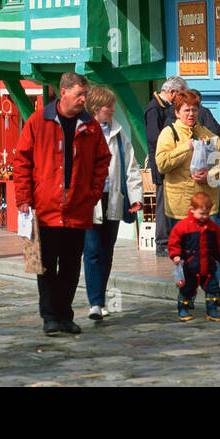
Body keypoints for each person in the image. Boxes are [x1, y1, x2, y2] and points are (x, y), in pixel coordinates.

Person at [13, 72, 110, 336]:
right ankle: (49, 317)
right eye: (79, 94)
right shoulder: (38, 121)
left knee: (70, 266)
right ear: (64, 92)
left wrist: (92, 193)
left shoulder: (89, 126)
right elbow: (21, 161)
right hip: (45, 209)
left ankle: (65, 316)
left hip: (78, 208)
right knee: (45, 267)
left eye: (85, 94)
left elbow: (103, 160)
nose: (83, 99)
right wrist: (23, 198)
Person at [82, 85, 142, 322]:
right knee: (92, 250)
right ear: (97, 108)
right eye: (110, 106)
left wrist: (136, 197)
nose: (113, 109)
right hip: (90, 200)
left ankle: (102, 299)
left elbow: (131, 167)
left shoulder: (118, 134)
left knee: (106, 251)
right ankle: (95, 302)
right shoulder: (83, 131)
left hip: (113, 198)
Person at [156, 88, 220, 246]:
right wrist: (185, 148)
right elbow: (162, 164)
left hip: (208, 206)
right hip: (182, 208)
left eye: (194, 110)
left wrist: (209, 175)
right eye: (186, 110)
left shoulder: (207, 134)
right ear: (177, 113)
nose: (191, 114)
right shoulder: (169, 134)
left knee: (209, 252)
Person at [168, 191, 220, 321]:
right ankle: (183, 309)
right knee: (187, 289)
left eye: (207, 213)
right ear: (192, 210)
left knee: (212, 288)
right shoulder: (183, 226)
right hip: (190, 265)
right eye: (202, 213)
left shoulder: (213, 227)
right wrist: (175, 255)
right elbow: (174, 242)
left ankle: (212, 310)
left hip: (209, 264)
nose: (204, 216)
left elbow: (219, 244)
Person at [144, 76, 185, 256]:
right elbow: (153, 137)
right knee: (162, 203)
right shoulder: (154, 109)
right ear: (172, 93)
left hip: (172, 162)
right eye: (181, 94)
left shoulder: (166, 109)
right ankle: (162, 243)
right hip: (162, 163)